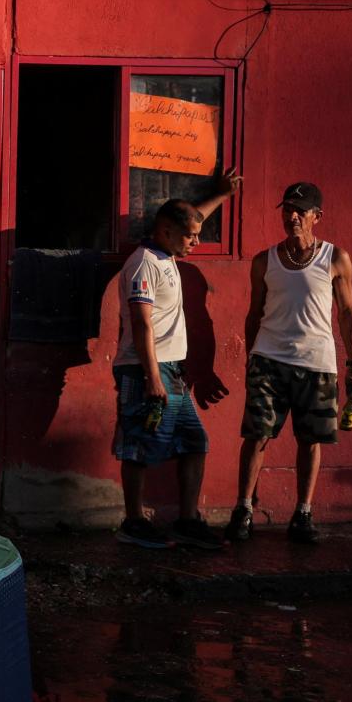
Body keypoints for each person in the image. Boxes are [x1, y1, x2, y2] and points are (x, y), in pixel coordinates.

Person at [227, 182, 352, 545]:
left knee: (310, 440)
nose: (293, 217)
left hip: (317, 363)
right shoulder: (264, 260)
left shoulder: (336, 259)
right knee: (256, 435)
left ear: (317, 216)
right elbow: (254, 312)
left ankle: (302, 513)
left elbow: (348, 313)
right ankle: (243, 509)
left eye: (301, 211)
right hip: (269, 360)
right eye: (287, 209)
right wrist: (250, 359)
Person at [111, 169, 240, 550]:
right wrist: (152, 376)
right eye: (190, 237)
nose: (196, 242)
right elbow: (141, 324)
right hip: (144, 369)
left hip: (173, 372)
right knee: (139, 443)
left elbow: (192, 216)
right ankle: (132, 521)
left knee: (194, 442)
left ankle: (187, 521)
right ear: (165, 231)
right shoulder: (143, 263)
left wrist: (222, 196)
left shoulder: (168, 249)